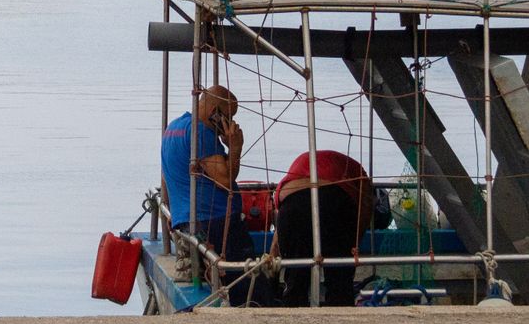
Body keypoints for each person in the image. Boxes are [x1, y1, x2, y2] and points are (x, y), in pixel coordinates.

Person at [161, 84, 268, 305]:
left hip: (188, 219)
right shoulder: (202, 132)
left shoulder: (174, 128)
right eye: (228, 116)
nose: (229, 123)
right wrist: (235, 147)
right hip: (215, 221)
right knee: (247, 278)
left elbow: (165, 179)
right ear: (215, 113)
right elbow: (225, 180)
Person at [274, 150, 375, 307]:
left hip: (291, 204)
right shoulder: (359, 172)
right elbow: (366, 204)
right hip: (333, 201)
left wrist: (274, 251)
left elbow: (282, 217)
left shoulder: (300, 163)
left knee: (295, 277)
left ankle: (292, 314)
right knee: (339, 277)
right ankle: (340, 314)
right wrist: (355, 242)